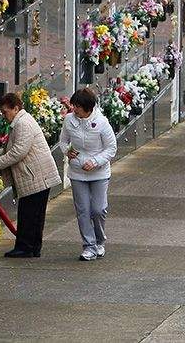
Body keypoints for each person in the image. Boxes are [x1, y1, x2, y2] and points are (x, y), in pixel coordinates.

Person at [0, 92, 59, 258]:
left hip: (35, 176)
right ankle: (33, 247)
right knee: (34, 214)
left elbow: (19, 151)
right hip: (35, 176)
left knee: (29, 213)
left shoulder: (22, 123)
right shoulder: (20, 121)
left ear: (15, 108)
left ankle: (25, 247)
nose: (3, 116)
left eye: (5, 112)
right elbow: (15, 148)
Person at [60, 87, 116, 261]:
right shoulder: (69, 120)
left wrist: (95, 162)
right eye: (74, 106)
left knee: (98, 209)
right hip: (77, 173)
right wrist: (67, 152)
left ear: (88, 108)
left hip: (99, 173)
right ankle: (89, 245)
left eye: (77, 106)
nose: (74, 109)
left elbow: (111, 148)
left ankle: (100, 241)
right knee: (83, 210)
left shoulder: (102, 123)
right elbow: (63, 141)